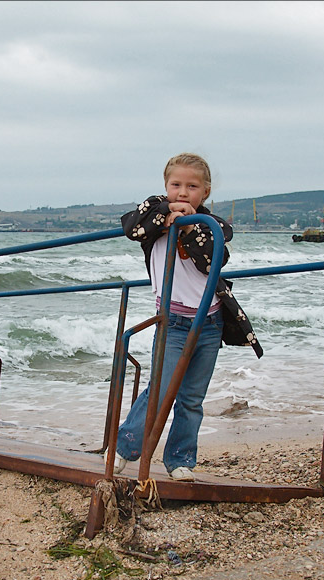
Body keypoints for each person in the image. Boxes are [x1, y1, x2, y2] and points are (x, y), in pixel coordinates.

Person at [111, 152, 263, 482]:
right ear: (165, 187)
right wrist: (167, 217)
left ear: (205, 192)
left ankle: (180, 460)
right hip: (173, 323)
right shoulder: (154, 218)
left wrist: (190, 225)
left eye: (192, 186)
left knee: (192, 398)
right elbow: (130, 226)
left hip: (209, 323)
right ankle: (124, 448)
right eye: (175, 185)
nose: (183, 192)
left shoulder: (212, 226)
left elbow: (216, 256)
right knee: (161, 389)